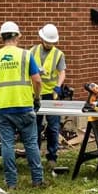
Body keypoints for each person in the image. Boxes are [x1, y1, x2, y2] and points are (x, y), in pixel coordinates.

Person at [0, 21, 44, 188]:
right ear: (18, 36)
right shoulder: (25, 55)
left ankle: (11, 183)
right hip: (24, 105)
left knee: (7, 144)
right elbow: (37, 81)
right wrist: (37, 98)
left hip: (3, 108)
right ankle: (37, 180)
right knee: (30, 143)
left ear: (1, 37)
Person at [29, 23, 67, 168]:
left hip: (51, 95)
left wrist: (58, 86)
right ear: (41, 39)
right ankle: (35, 155)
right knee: (35, 126)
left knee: (53, 126)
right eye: (47, 42)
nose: (50, 45)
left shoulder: (58, 54)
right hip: (35, 94)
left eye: (52, 43)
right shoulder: (32, 51)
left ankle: (52, 156)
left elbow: (62, 72)